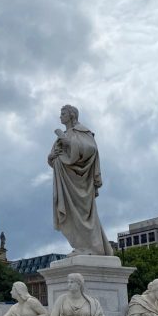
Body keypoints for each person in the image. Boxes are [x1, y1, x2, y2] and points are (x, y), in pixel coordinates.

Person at [48, 104, 113, 256]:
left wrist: (68, 142)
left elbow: (91, 149)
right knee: (70, 214)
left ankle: (91, 247)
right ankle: (81, 246)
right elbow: (52, 157)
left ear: (71, 115)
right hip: (65, 181)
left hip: (80, 181)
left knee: (83, 213)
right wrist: (53, 156)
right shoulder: (61, 136)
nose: (60, 116)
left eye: (63, 113)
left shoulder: (82, 131)